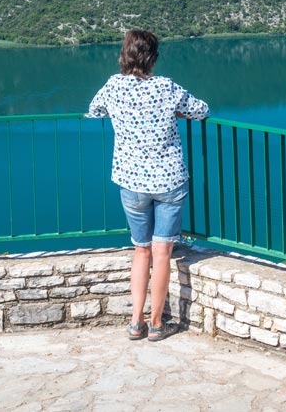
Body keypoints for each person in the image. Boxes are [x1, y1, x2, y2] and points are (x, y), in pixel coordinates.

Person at [87, 29, 209, 341]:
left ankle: (135, 320)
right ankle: (157, 324)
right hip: (168, 180)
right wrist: (174, 112)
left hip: (131, 181)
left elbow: (95, 110)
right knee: (163, 252)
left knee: (141, 251)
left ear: (125, 55)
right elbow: (201, 110)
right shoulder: (165, 87)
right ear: (152, 57)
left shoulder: (114, 87)